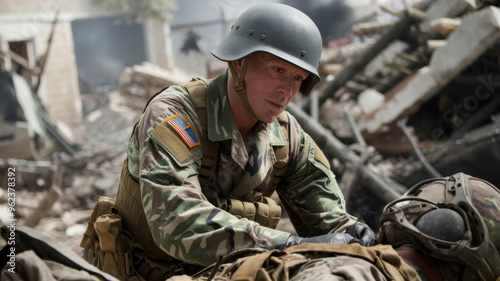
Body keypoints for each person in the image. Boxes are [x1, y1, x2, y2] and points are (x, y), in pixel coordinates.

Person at [82, 3, 375, 280]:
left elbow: (326, 217)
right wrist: (292, 244)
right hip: (141, 274)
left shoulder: (286, 137)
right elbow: (175, 222)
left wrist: (353, 232)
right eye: (278, 70)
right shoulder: (175, 115)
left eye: (298, 78)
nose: (287, 89)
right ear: (238, 63)